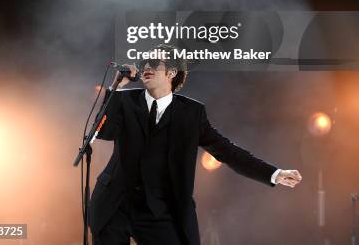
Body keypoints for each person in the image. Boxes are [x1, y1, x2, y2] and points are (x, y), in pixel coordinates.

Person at [89, 50, 302, 244]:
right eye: (144, 62)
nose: (146, 67)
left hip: (158, 210)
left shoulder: (191, 113)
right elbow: (102, 132)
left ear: (172, 72)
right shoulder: (124, 100)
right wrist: (115, 88)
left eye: (154, 62)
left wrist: (274, 173)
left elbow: (228, 152)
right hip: (114, 204)